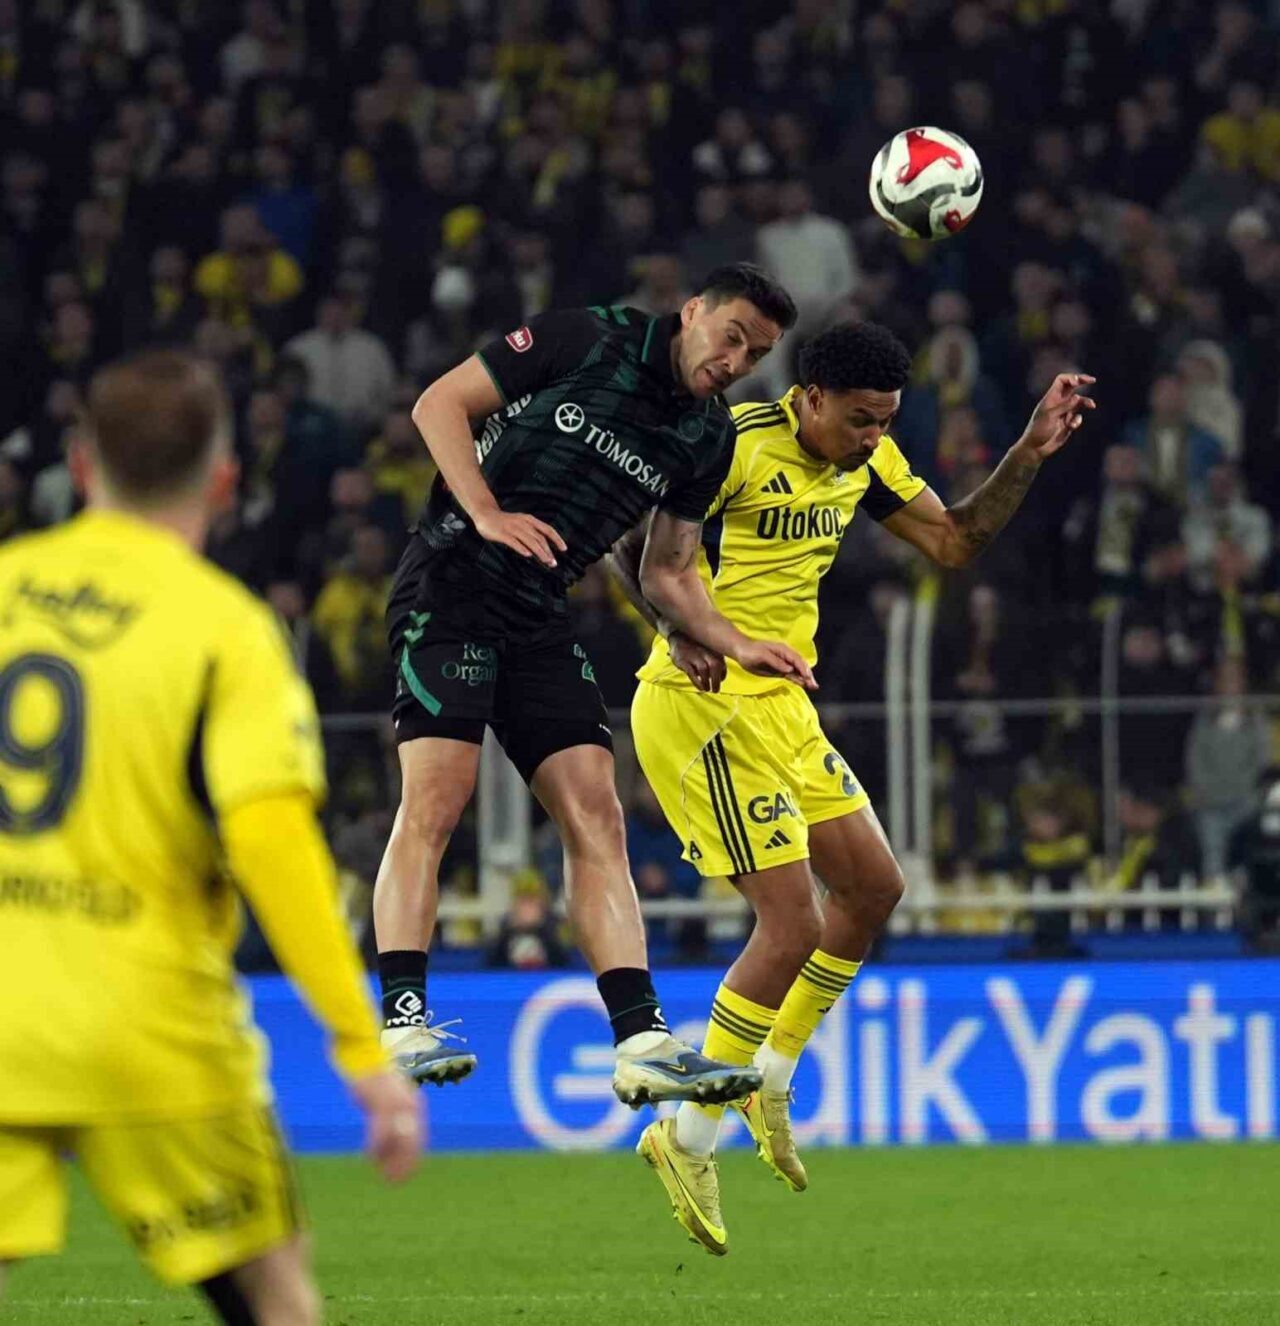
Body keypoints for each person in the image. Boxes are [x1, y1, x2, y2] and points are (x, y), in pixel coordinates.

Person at [612, 321, 1095, 1254]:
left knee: (873, 888)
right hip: (702, 705)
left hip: (782, 704)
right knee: (790, 924)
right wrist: (679, 632)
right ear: (811, 398)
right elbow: (628, 547)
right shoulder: (728, 443)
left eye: (887, 422)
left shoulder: (865, 460)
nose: (874, 437)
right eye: (861, 420)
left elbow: (955, 539)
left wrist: (1028, 452)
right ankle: (684, 1138)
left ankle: (771, 1075)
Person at [0, 350, 422, 1325]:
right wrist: (360, 1047)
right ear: (225, 481)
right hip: (150, 1027)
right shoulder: (226, 629)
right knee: (275, 1295)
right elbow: (272, 846)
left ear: (81, 462)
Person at [376, 264, 815, 1112]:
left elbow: (668, 570)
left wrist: (725, 639)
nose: (735, 363)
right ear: (693, 311)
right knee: (437, 800)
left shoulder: (706, 437)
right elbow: (438, 404)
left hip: (537, 612)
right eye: (731, 338)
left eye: (756, 355)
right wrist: (486, 512)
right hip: (451, 583)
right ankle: (401, 1024)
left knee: (597, 813)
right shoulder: (589, 338)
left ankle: (641, 1041)